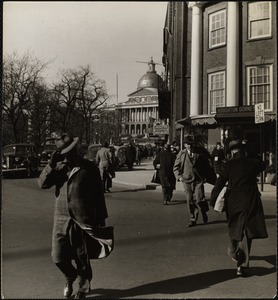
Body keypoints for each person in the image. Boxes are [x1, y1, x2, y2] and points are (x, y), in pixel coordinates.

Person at [38, 133, 111, 299]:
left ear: (76, 150)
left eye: (70, 152)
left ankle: (82, 288)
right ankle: (70, 276)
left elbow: (98, 195)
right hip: (61, 218)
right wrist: (51, 164)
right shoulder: (58, 168)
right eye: (64, 153)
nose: (68, 156)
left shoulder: (88, 168)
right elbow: (42, 184)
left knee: (81, 257)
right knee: (57, 257)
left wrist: (101, 220)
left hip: (81, 219)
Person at [210, 140, 268, 277]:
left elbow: (219, 184)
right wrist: (252, 153)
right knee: (247, 233)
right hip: (251, 201)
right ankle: (241, 266)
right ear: (243, 151)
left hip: (234, 201)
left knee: (234, 227)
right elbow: (263, 164)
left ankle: (234, 251)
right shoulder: (252, 163)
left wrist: (213, 200)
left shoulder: (227, 165)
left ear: (231, 152)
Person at [173, 136, 216, 227]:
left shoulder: (199, 153)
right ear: (184, 145)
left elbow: (207, 164)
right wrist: (179, 177)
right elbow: (175, 167)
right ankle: (193, 218)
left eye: (191, 144)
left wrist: (206, 175)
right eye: (187, 144)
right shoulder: (182, 154)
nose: (189, 146)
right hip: (186, 180)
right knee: (189, 200)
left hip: (198, 180)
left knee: (200, 199)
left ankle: (204, 211)